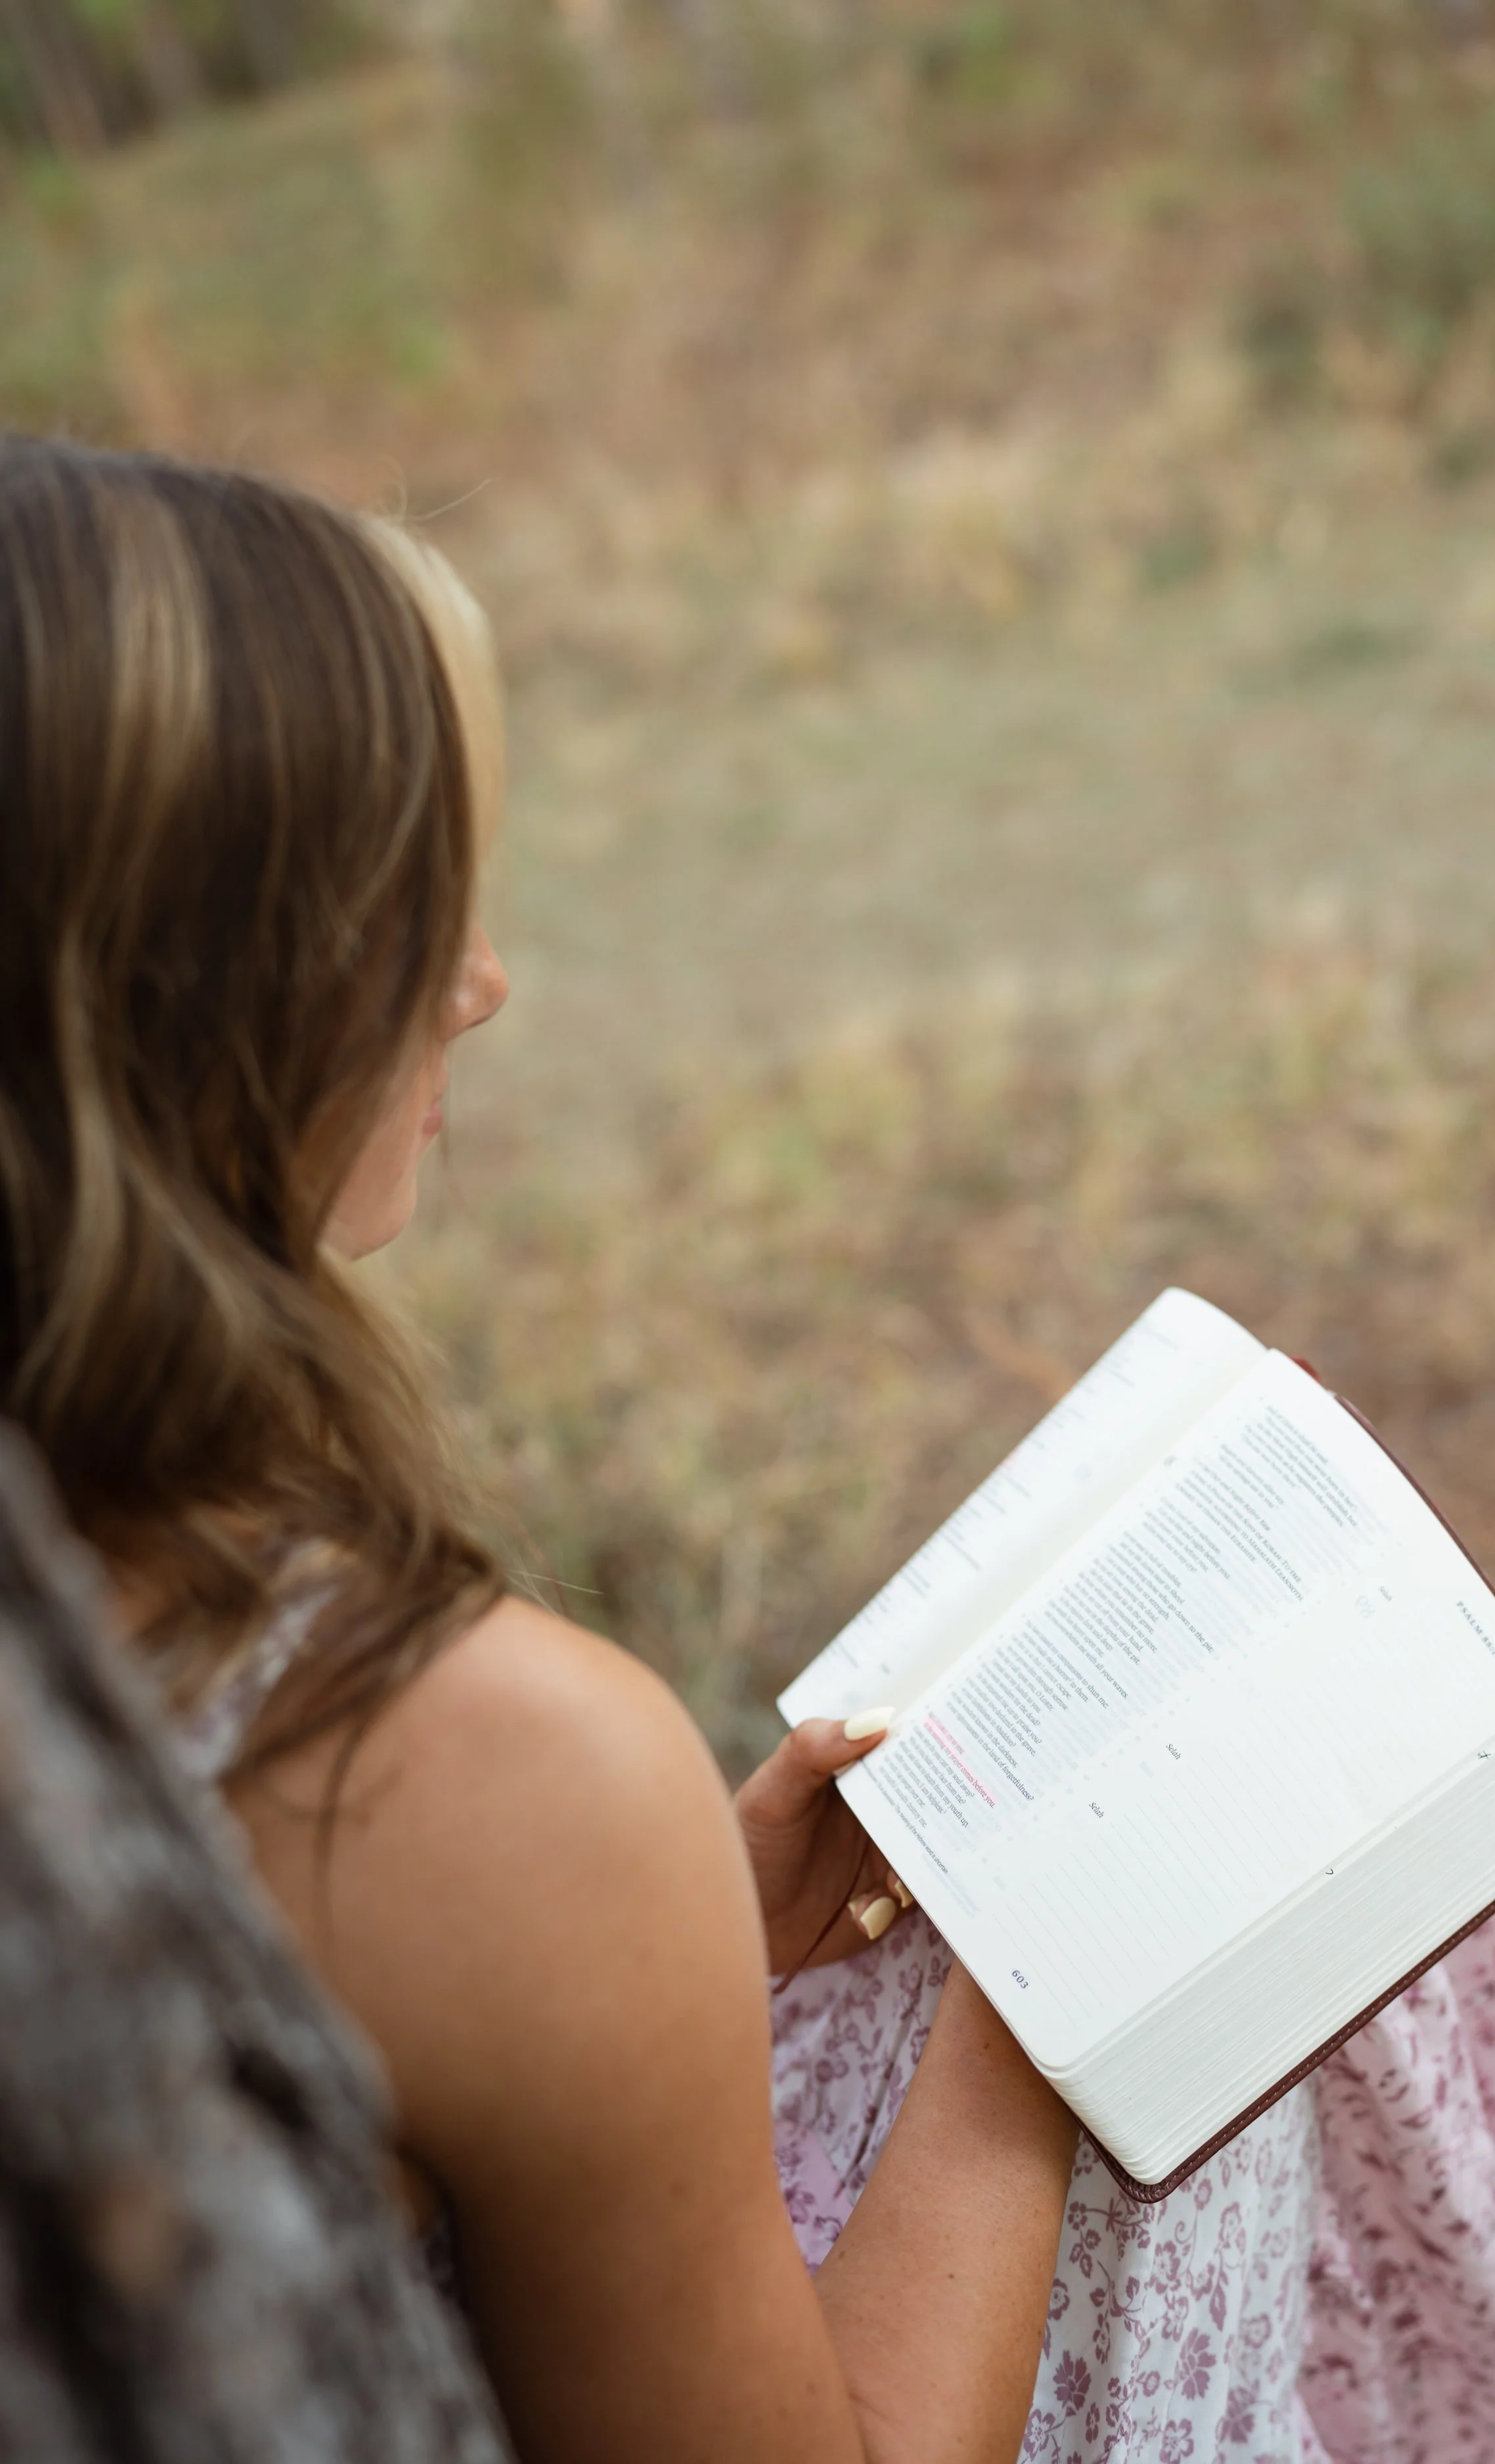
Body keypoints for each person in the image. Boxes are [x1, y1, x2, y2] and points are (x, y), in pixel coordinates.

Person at [0, 435, 1080, 2464]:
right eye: (395, 907)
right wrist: (1044, 2019)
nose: (480, 985)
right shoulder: (458, 1767)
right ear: (167, 1002)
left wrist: (635, 1978)